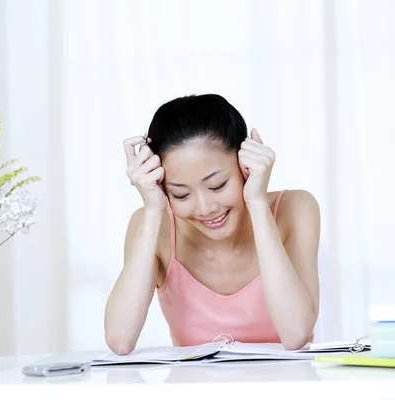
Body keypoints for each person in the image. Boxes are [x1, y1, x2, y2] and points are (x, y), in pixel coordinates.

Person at [105, 94, 320, 355]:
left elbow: (296, 333)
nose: (205, 208)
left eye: (217, 185)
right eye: (181, 194)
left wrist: (257, 203)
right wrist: (152, 209)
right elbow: (119, 339)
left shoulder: (295, 208)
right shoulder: (153, 224)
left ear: (244, 166)